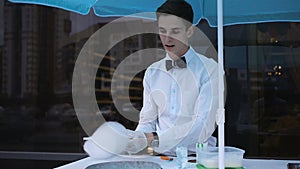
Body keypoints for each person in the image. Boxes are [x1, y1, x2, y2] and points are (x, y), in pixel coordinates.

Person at [126, 0, 219, 156]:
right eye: (163, 31)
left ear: (190, 31)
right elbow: (147, 121)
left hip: (199, 159)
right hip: (159, 158)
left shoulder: (210, 70)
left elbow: (202, 126)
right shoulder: (152, 72)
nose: (167, 39)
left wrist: (153, 138)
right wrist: (137, 140)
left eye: (175, 31)